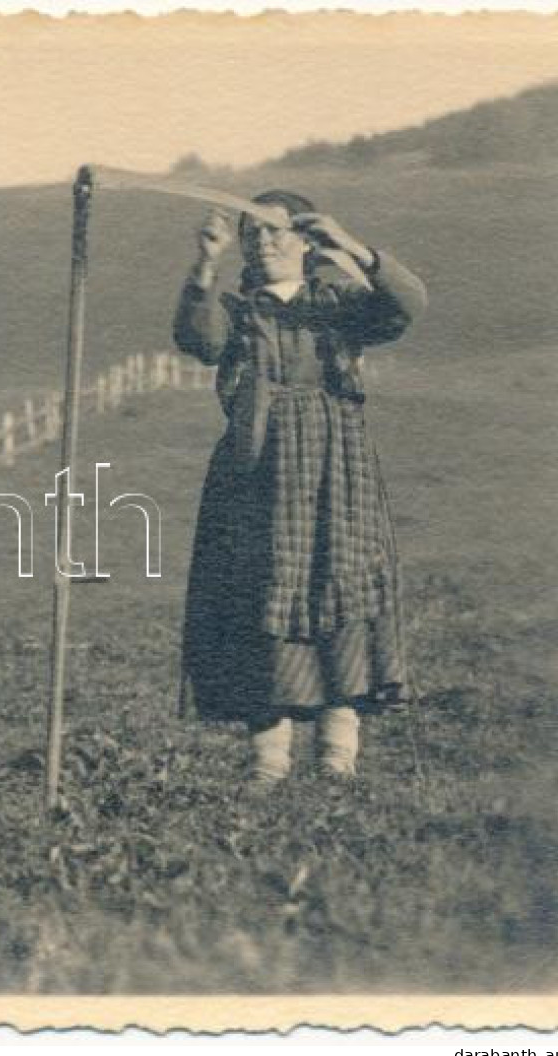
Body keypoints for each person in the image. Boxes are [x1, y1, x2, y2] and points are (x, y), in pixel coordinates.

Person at [173, 191, 427, 788]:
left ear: (307, 243)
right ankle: (268, 763)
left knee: (337, 592)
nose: (264, 242)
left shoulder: (338, 304)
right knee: (260, 599)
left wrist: (352, 246)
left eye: (277, 231)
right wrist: (207, 262)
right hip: (255, 470)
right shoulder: (238, 312)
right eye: (252, 233)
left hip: (337, 469)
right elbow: (198, 340)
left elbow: (408, 304)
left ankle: (336, 757)